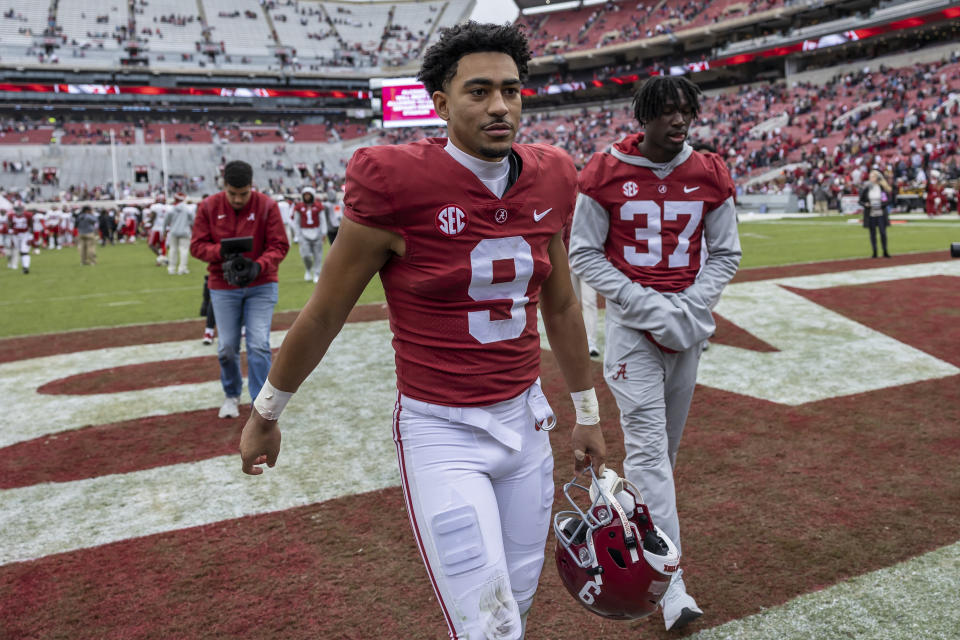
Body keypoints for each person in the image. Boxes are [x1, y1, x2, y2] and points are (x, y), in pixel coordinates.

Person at [238, 22, 607, 640]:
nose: (499, 106)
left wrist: (587, 410)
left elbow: (563, 306)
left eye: (512, 91)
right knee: (488, 625)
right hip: (443, 430)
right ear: (441, 103)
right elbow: (325, 312)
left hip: (526, 423)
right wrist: (266, 411)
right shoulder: (394, 182)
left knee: (517, 603)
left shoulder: (553, 175)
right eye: (479, 91)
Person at [569, 75, 742, 631]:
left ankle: (629, 519)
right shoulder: (604, 171)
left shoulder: (710, 171)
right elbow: (584, 255)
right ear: (642, 117)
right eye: (667, 111)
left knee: (660, 458)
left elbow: (726, 253)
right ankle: (670, 586)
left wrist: (690, 305)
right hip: (632, 333)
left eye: (686, 110)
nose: (679, 120)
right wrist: (643, 302)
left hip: (686, 328)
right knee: (646, 453)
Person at [190, 161, 289, 419]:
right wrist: (220, 251)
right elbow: (197, 246)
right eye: (232, 193)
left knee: (258, 344)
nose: (237, 199)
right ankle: (231, 395)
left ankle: (260, 405)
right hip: (223, 285)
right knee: (227, 347)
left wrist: (258, 266)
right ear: (223, 186)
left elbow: (279, 245)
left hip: (261, 284)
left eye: (243, 194)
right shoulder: (208, 206)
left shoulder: (267, 206)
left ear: (251, 187)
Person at [291, 186, 326, 282]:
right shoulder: (299, 207)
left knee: (318, 255)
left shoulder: (318, 206)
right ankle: (308, 269)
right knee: (305, 255)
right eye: (305, 195)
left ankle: (317, 273)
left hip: (316, 232)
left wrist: (323, 232)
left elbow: (322, 220)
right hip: (304, 233)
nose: (307, 196)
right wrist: (298, 235)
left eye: (308, 195)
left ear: (312, 195)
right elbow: (296, 222)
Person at [859, 169, 891, 258]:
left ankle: (885, 251)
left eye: (872, 176)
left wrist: (881, 204)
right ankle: (875, 252)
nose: (871, 178)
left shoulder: (881, 188)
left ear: (877, 178)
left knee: (883, 232)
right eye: (870, 177)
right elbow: (860, 201)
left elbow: (887, 200)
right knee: (872, 233)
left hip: (880, 213)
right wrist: (866, 204)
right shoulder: (867, 188)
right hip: (871, 214)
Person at [164, 192, 195, 275]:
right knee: (184, 250)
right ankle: (182, 268)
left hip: (173, 231)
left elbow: (166, 221)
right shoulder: (188, 209)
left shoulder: (171, 209)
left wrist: (164, 230)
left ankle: (171, 269)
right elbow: (193, 220)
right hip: (185, 231)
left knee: (173, 250)